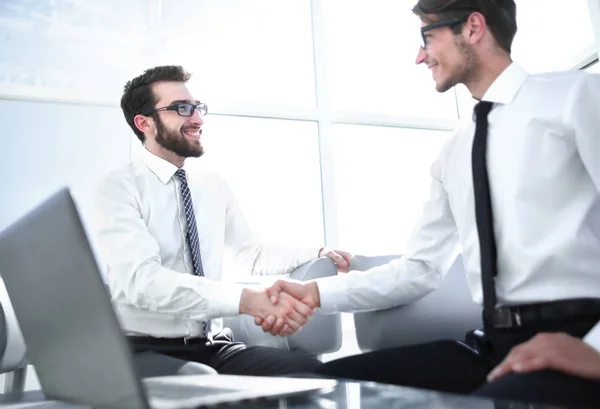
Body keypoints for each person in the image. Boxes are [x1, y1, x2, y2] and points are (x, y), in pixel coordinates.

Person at [258, 0, 600, 406]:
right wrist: (314, 291)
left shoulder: (577, 96)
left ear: (473, 27)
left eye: (427, 37)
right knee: (313, 387)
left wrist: (595, 348)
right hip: (491, 343)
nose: (420, 56)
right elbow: (418, 270)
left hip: (580, 332)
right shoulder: (454, 151)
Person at [90, 65, 352, 376]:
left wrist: (317, 253)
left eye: (197, 108)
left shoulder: (212, 185)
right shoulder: (117, 187)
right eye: (182, 109)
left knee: (305, 372)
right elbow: (144, 283)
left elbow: (253, 255)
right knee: (201, 381)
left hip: (213, 345)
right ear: (144, 122)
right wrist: (246, 301)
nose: (198, 119)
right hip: (141, 349)